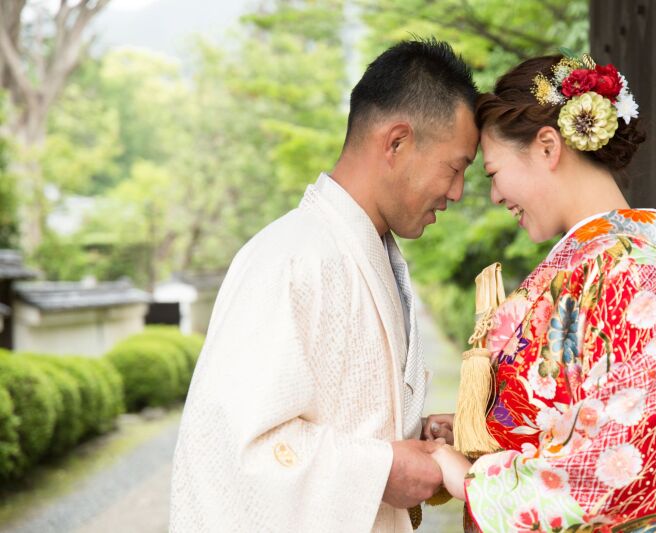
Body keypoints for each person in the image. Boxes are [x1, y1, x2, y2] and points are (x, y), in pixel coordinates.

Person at [425, 54, 656, 533]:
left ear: (547, 147)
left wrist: (467, 479)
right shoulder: (610, 270)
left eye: (493, 173)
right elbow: (566, 418)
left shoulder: (628, 274)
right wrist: (477, 432)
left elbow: (618, 461)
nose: (496, 196)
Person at [170, 38, 479, 533]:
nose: (458, 192)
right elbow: (232, 451)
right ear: (396, 142)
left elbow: (337, 418)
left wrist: (413, 433)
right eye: (456, 167)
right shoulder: (288, 259)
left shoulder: (365, 252)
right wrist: (382, 470)